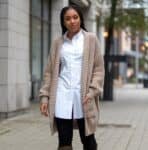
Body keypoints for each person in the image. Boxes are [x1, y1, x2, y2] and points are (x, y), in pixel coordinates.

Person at [39, 5, 104, 150]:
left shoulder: (91, 39)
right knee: (64, 140)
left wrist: (92, 90)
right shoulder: (58, 43)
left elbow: (99, 69)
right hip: (62, 95)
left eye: (75, 17)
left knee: (88, 140)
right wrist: (45, 97)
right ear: (63, 22)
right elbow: (49, 72)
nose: (72, 21)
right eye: (67, 19)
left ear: (80, 18)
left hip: (84, 96)